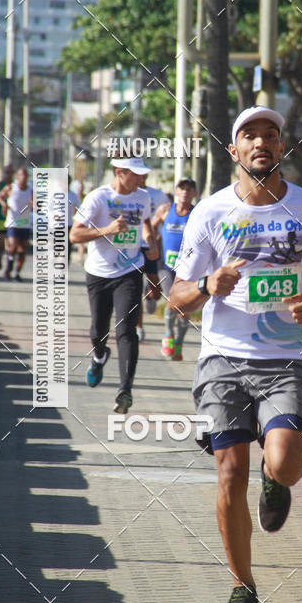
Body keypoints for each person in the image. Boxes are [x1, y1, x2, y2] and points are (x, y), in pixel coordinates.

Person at [169, 106, 302, 603]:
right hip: (222, 359)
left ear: (281, 147)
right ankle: (242, 585)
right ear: (235, 151)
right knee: (228, 472)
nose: (261, 142)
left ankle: (277, 478)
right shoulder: (210, 213)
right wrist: (207, 286)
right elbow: (174, 297)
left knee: (288, 461)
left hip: (285, 357)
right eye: (250, 135)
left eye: (271, 133)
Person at [69, 157, 158, 414]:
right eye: (136, 174)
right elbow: (75, 234)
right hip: (98, 273)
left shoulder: (143, 198)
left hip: (129, 270)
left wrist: (151, 243)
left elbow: (146, 224)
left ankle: (125, 389)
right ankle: (99, 357)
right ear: (119, 173)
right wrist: (107, 229)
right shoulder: (98, 198)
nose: (141, 180)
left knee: (127, 330)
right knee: (99, 331)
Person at [152, 176, 197, 361]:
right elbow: (150, 226)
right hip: (166, 265)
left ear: (194, 193)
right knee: (172, 300)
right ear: (176, 192)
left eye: (189, 189)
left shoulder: (197, 212)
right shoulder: (165, 210)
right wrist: (152, 243)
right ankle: (169, 336)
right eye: (182, 188)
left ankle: (179, 342)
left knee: (184, 306)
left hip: (188, 266)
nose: (185, 192)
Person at [135, 173, 171, 341]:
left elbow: (167, 218)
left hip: (152, 246)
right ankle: (138, 327)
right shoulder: (128, 196)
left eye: (141, 174)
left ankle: (149, 295)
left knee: (157, 291)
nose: (139, 177)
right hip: (133, 248)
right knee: (133, 290)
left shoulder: (157, 195)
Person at [0, 166, 33, 281]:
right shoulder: (11, 188)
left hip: (25, 223)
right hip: (13, 222)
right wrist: (4, 204)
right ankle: (9, 268)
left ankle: (17, 273)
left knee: (22, 251)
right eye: (21, 175)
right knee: (12, 247)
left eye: (25, 175)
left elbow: (35, 202)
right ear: (17, 176)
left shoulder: (30, 189)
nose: (23, 177)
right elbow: (0, 197)